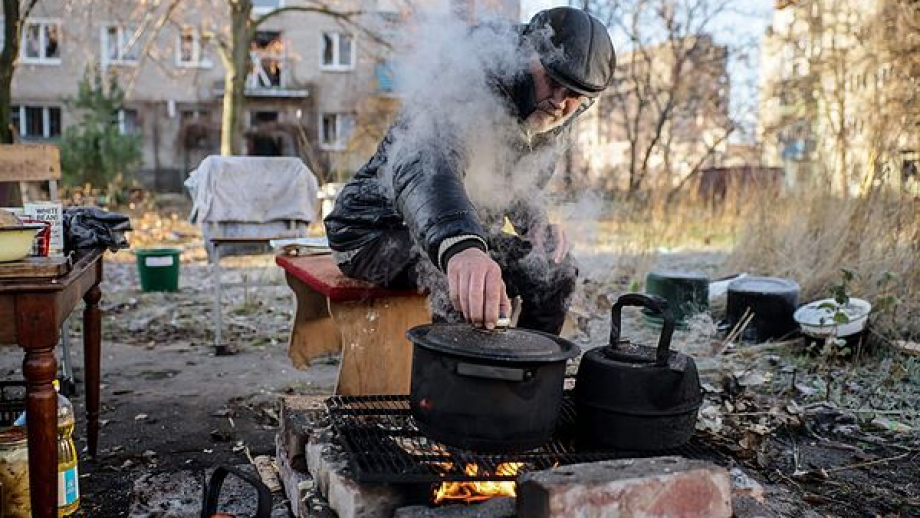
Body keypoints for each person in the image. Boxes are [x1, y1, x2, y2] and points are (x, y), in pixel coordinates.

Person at [324, 7, 616, 334]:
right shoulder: (470, 71)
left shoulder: (549, 113)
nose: (559, 102)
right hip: (372, 231)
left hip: (458, 231)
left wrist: (535, 225)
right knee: (469, 293)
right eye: (551, 80)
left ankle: (531, 374)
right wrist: (462, 247)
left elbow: (511, 184)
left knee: (555, 274)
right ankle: (456, 381)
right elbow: (427, 163)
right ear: (527, 54)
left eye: (575, 94)